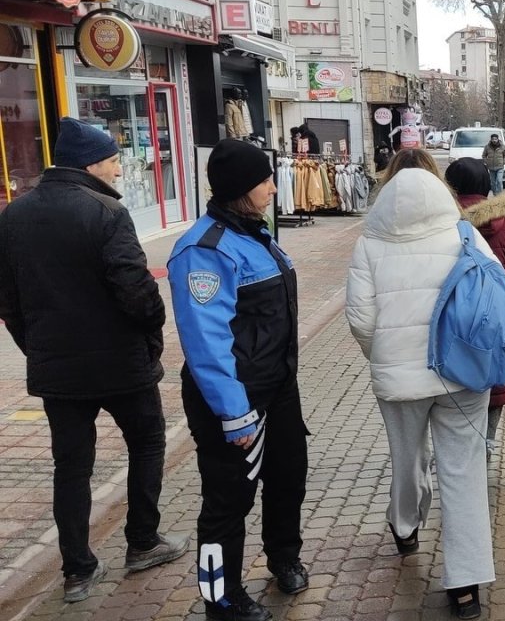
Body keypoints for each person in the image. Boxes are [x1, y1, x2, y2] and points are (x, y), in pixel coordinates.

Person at [0, 118, 188, 603]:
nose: (118, 171)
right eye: (111, 161)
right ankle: (143, 541)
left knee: (71, 467)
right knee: (147, 444)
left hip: (58, 368)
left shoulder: (14, 215)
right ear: (89, 165)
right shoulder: (107, 212)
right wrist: (151, 336)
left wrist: (36, 347)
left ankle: (78, 570)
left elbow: (8, 300)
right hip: (121, 364)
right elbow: (138, 292)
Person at [346, 164, 503, 620]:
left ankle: (405, 526)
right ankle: (465, 585)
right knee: (463, 473)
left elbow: (360, 319)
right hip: (461, 375)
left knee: (406, 457)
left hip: (399, 380)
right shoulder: (465, 235)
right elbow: (495, 298)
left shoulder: (369, 243)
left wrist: (385, 355)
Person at [169, 139, 309, 621]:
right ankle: (221, 598)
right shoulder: (204, 250)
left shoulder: (256, 235)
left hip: (278, 388)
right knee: (227, 503)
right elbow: (205, 341)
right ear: (239, 188)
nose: (273, 187)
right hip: (234, 401)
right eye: (264, 180)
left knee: (287, 479)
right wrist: (233, 413)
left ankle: (284, 557)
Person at [447, 157, 505, 457]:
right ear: (487, 185)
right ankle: (487, 442)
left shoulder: (445, 225)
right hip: (496, 319)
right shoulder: (504, 223)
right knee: (494, 381)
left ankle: (458, 451)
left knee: (454, 383)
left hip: (453, 321)